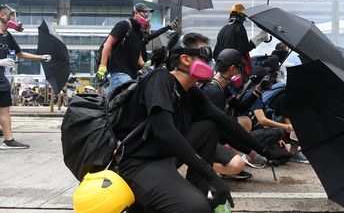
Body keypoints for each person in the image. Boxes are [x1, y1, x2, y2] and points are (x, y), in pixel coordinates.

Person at [113, 32, 290, 212]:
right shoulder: (160, 78)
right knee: (197, 208)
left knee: (209, 127)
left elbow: (225, 123)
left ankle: (195, 193)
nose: (211, 65)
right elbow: (165, 132)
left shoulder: (193, 92)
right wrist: (211, 175)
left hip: (165, 157)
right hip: (139, 163)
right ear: (185, 59)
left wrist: (265, 151)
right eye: (205, 57)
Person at [201, 48, 269, 179]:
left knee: (245, 121)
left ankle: (222, 161)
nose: (239, 71)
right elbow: (221, 129)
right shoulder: (214, 91)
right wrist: (252, 151)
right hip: (203, 138)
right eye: (239, 68)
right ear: (232, 68)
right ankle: (200, 163)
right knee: (237, 165)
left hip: (211, 131)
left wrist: (258, 90)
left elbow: (240, 108)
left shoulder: (220, 86)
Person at [0, 4, 51, 149]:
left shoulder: (7, 36)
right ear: (2, 16)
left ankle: (8, 141)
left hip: (1, 79)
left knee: (4, 108)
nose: (15, 19)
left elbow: (20, 54)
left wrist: (41, 57)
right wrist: (0, 61)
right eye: (11, 16)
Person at [95, 2, 179, 90]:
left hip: (131, 74)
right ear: (135, 13)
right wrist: (102, 66)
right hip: (120, 73)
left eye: (148, 13)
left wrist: (143, 63)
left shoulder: (138, 32)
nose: (146, 15)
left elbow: (136, 51)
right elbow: (107, 44)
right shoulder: (124, 25)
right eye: (144, 12)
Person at [242, 66, 309, 164]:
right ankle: (253, 154)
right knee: (279, 132)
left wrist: (277, 140)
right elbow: (262, 120)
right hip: (246, 136)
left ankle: (265, 153)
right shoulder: (252, 95)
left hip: (255, 132)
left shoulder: (257, 93)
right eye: (266, 80)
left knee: (285, 155)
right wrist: (286, 127)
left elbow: (259, 123)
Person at [213, 3, 270, 78]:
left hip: (220, 70)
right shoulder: (239, 28)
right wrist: (260, 38)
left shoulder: (223, 29)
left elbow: (215, 53)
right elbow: (244, 49)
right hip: (233, 70)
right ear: (242, 16)